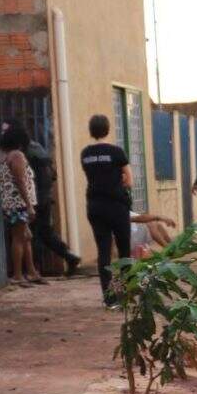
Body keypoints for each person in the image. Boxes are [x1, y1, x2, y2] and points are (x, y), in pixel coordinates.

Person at [81, 113, 133, 304]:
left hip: (95, 206)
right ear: (108, 128)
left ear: (90, 130)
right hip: (116, 206)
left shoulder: (85, 154)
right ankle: (126, 293)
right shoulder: (116, 152)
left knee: (103, 252)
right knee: (124, 250)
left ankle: (110, 299)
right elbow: (129, 181)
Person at [19, 123, 80, 277]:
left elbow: (26, 177)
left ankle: (33, 269)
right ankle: (69, 256)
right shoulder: (39, 148)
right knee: (46, 232)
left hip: (35, 199)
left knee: (32, 234)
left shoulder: (26, 153)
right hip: (46, 197)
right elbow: (53, 174)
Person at [0, 123, 46, 286]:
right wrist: (29, 205)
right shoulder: (17, 155)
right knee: (19, 237)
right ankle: (18, 275)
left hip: (13, 203)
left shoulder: (6, 156)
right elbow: (20, 181)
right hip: (18, 203)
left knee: (26, 237)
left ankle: (31, 272)